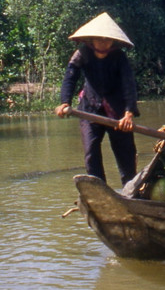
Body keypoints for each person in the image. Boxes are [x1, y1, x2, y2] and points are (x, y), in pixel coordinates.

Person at [55, 12, 139, 185]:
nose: (103, 43)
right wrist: (65, 102)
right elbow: (70, 76)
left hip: (118, 112)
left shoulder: (119, 57)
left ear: (113, 41)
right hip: (90, 109)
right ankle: (99, 190)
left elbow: (128, 84)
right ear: (91, 40)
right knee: (91, 153)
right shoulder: (82, 53)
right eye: (99, 39)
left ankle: (131, 192)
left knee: (126, 156)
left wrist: (129, 112)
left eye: (107, 39)